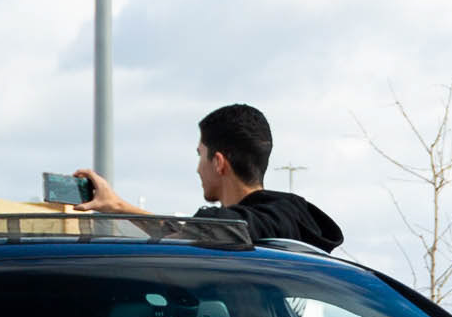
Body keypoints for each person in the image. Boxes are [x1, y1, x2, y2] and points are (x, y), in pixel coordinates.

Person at [78, 105, 343, 248]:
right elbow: (190, 233)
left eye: (200, 155)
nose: (197, 169)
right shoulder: (286, 223)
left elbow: (194, 235)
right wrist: (116, 205)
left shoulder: (252, 224)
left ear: (218, 162)